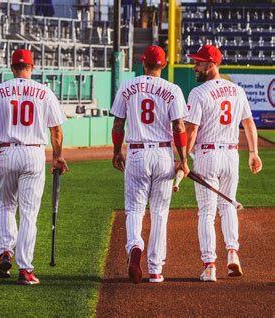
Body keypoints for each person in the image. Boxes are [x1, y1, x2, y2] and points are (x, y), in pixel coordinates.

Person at [110, 45, 189, 284]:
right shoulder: (173, 89)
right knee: (160, 213)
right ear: (163, 65)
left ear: (143, 63)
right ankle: (155, 269)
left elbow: (118, 124)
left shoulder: (127, 86)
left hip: (136, 152)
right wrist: (183, 159)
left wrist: (116, 151)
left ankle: (135, 245)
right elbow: (178, 127)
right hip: (163, 153)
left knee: (134, 208)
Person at [0, 49, 68, 285]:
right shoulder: (44, 92)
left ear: (12, 68)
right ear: (32, 68)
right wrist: (58, 156)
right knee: (29, 214)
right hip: (33, 151)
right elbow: (56, 130)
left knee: (5, 205)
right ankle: (25, 268)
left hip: (6, 150)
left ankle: (5, 252)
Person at [185, 44, 263, 282]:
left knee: (207, 213)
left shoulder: (198, 93)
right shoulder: (237, 91)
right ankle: (232, 253)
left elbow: (191, 131)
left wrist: (181, 159)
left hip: (207, 155)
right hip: (231, 155)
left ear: (211, 65)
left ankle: (209, 266)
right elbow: (248, 124)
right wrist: (254, 152)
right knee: (228, 206)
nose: (194, 66)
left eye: (198, 62)